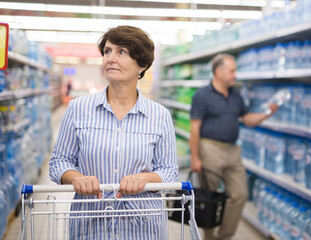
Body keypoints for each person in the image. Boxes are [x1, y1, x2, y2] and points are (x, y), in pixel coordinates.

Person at [49, 25, 178, 239]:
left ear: (142, 64)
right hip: (90, 225)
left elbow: (169, 171)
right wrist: (77, 178)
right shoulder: (78, 108)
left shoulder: (159, 115)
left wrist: (146, 178)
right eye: (107, 51)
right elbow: (59, 162)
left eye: (122, 52)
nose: (110, 58)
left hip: (142, 226)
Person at [189, 53, 279, 240]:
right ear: (218, 71)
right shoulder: (202, 95)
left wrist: (268, 112)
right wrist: (195, 158)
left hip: (232, 151)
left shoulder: (236, 95)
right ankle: (208, 236)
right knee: (209, 197)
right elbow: (195, 128)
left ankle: (224, 236)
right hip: (209, 149)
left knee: (240, 194)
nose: (235, 75)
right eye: (232, 71)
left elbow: (247, 119)